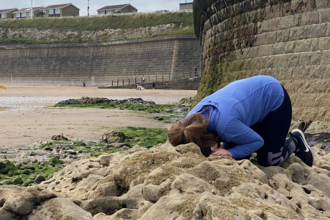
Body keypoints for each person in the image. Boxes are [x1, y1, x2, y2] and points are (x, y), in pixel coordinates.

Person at [168, 75, 314, 167]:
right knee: (236, 158)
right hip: (245, 109)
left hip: (274, 100)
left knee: (270, 163)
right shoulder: (190, 122)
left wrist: (230, 153)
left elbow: (257, 142)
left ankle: (297, 140)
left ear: (205, 138)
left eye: (206, 147)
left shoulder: (226, 125)